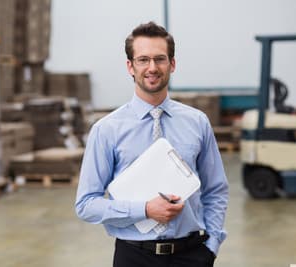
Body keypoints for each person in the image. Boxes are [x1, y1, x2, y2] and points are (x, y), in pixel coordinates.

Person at [75, 21, 229, 267]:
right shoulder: (106, 130)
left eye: (160, 59)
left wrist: (211, 247)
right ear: (130, 66)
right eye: (143, 60)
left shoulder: (197, 122)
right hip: (134, 256)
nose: (152, 67)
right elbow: (86, 205)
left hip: (192, 255)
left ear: (172, 64)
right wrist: (145, 210)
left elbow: (216, 190)